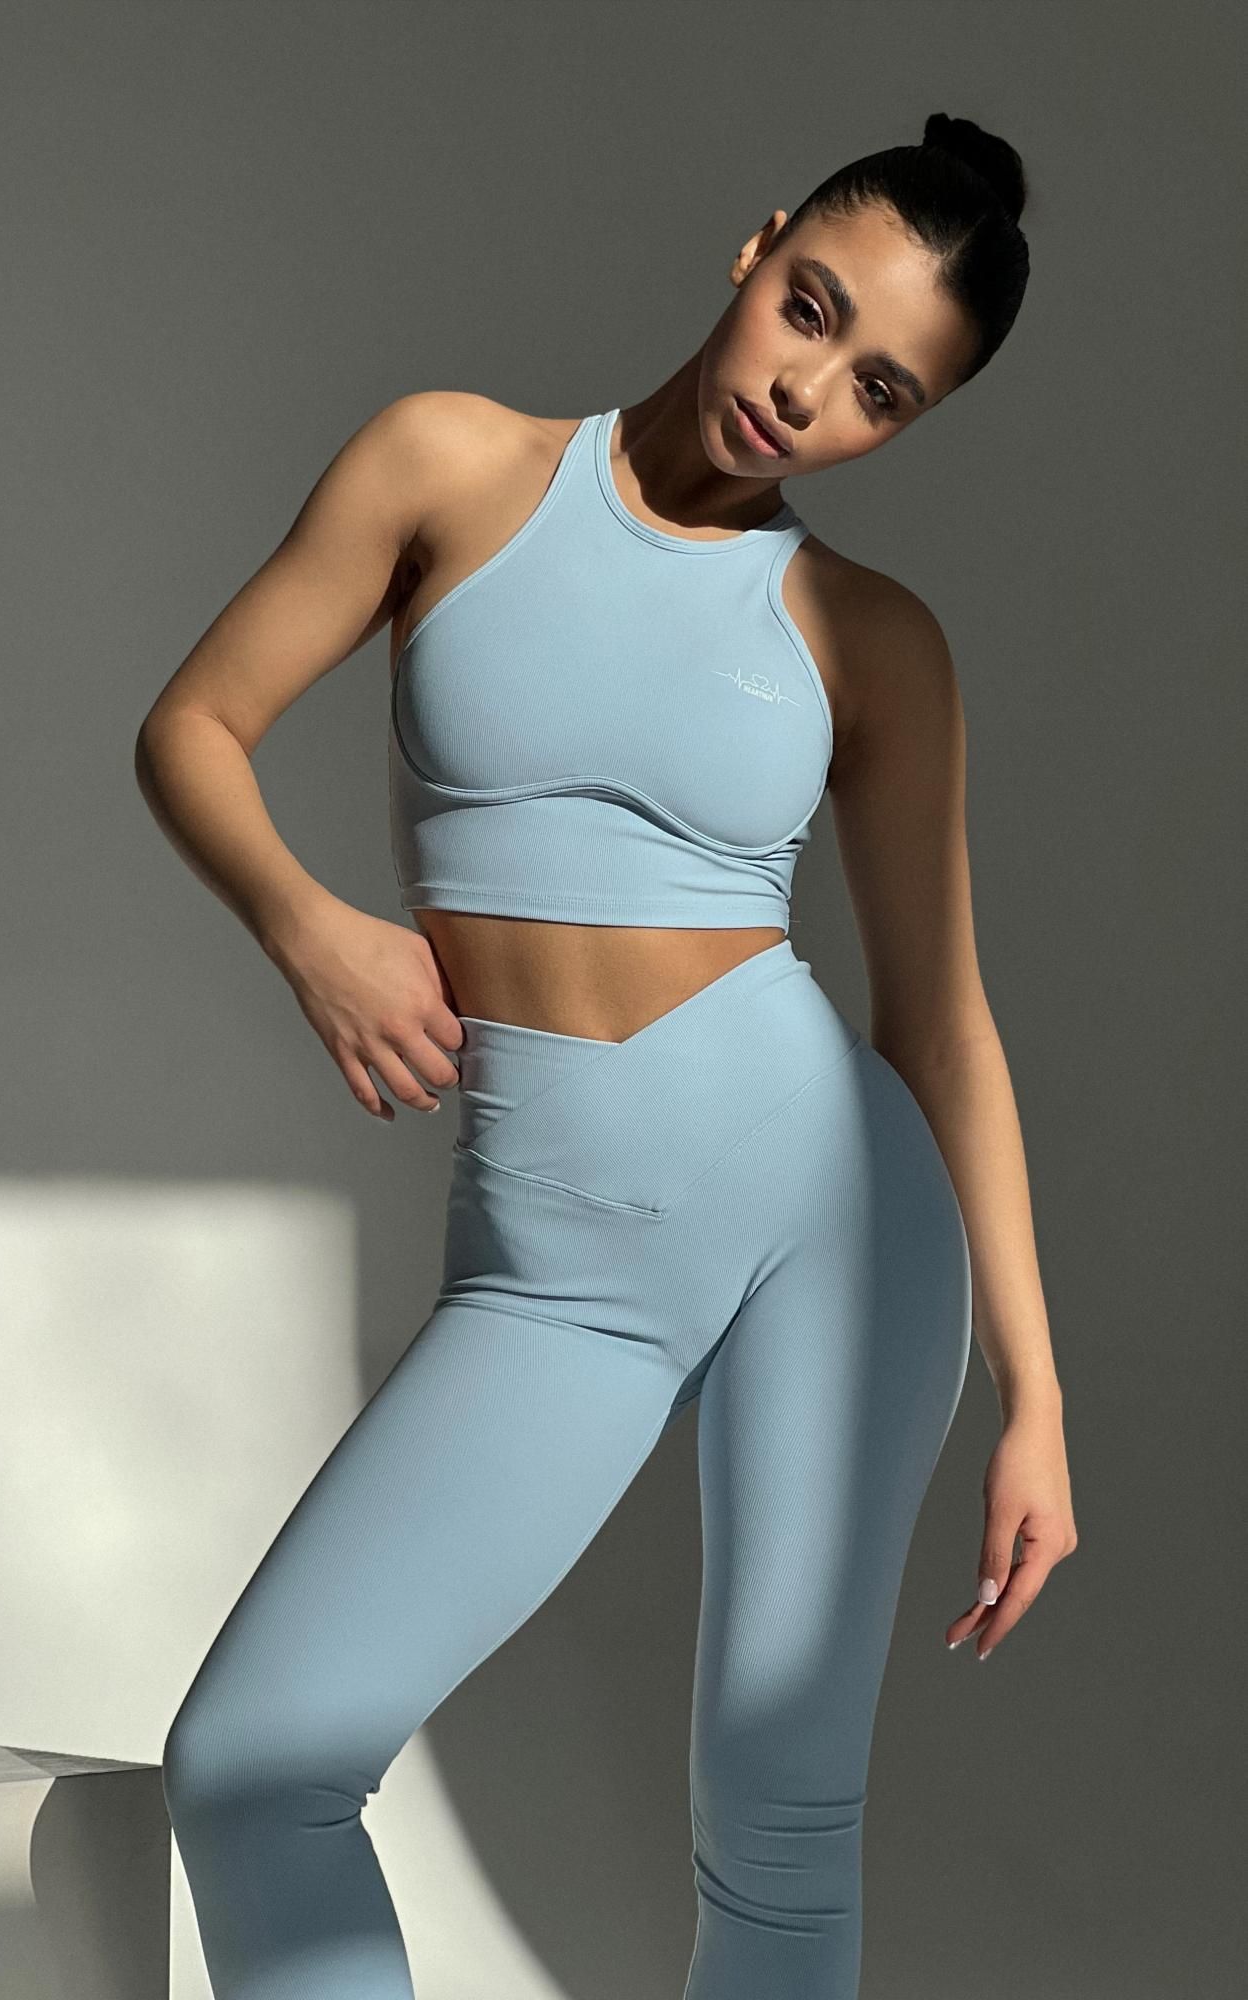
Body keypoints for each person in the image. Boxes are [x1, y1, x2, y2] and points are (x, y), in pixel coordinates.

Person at [136, 112, 1078, 2000]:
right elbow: (194, 727)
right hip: (560, 1254)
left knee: (780, 1818)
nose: (807, 388)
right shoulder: (448, 462)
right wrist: (314, 930)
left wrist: (1034, 1395)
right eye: (810, 308)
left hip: (835, 1221)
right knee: (253, 1769)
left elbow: (940, 1022)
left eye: (879, 391)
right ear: (757, 247)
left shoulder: (868, 636)